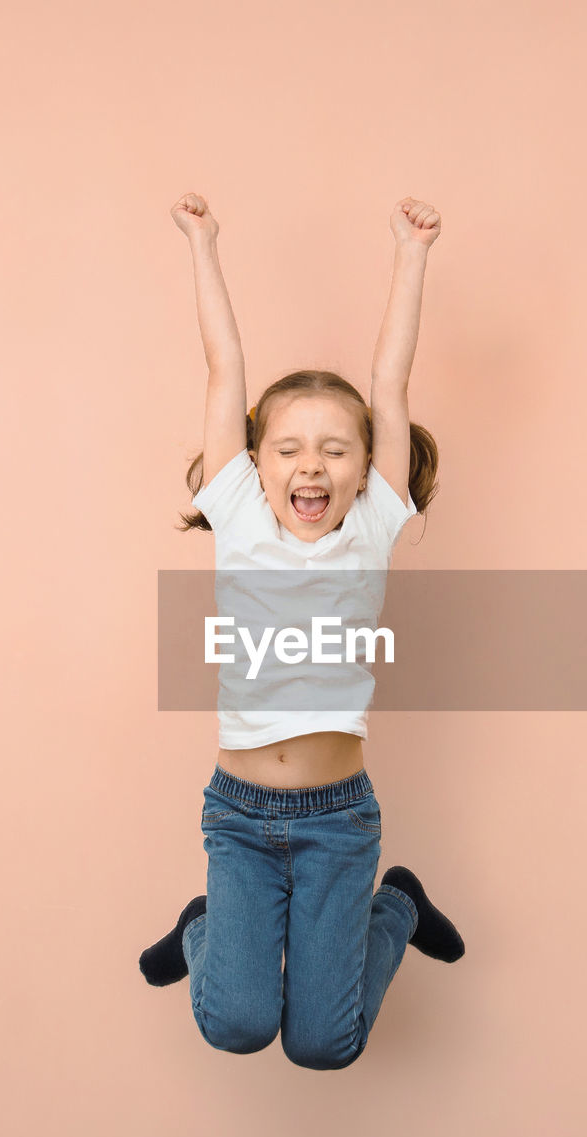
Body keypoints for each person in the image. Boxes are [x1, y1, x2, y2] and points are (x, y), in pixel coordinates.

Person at [139, 192, 464, 1070]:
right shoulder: (240, 515)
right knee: (235, 1024)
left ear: (365, 470)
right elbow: (223, 370)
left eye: (334, 450)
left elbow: (390, 383)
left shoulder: (371, 524)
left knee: (326, 1045)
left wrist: (411, 253)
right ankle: (203, 924)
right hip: (239, 817)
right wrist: (204, 246)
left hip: (337, 821)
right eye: (287, 449)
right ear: (253, 464)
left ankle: (394, 907)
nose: (310, 466)